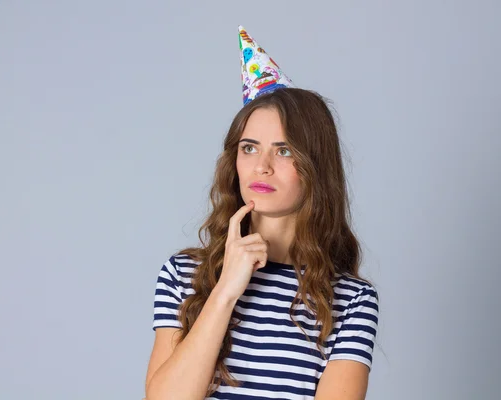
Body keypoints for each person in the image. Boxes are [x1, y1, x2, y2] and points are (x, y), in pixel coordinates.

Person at [144, 26, 379, 400]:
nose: (262, 167)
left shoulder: (350, 300)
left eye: (284, 151)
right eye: (249, 148)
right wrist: (225, 292)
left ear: (315, 166)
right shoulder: (184, 275)